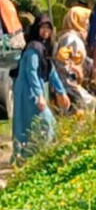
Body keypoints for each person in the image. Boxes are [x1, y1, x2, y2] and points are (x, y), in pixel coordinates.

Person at [11, 14, 69, 162]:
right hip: (27, 90)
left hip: (35, 89)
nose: (46, 31)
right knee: (42, 120)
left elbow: (51, 71)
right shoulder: (33, 48)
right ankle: (26, 154)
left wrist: (62, 92)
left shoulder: (45, 47)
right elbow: (31, 72)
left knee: (38, 122)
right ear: (37, 29)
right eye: (43, 28)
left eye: (48, 28)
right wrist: (39, 95)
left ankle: (36, 154)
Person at [54, 6, 96, 116]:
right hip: (68, 82)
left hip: (72, 81)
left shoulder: (73, 37)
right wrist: (76, 74)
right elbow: (63, 63)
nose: (87, 23)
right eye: (84, 19)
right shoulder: (71, 38)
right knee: (84, 105)